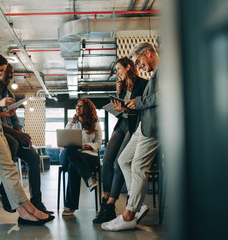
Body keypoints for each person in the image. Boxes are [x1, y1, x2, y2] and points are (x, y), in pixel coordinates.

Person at [0, 54, 54, 225]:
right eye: (0, 70)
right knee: (9, 169)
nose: (1, 74)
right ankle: (30, 208)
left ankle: (23, 212)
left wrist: (3, 112)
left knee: (9, 169)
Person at [101, 42, 160, 231]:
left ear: (148, 53)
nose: (139, 66)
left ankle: (129, 214)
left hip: (154, 126)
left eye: (139, 61)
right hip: (143, 125)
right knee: (124, 160)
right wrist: (127, 107)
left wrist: (139, 101)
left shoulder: (164, 70)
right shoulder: (154, 75)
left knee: (138, 165)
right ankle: (138, 203)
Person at [93, 57, 148, 223]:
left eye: (119, 68)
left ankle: (110, 205)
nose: (117, 72)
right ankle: (105, 201)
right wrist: (119, 109)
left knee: (119, 162)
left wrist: (126, 108)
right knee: (107, 160)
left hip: (133, 126)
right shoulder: (123, 87)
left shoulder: (143, 84)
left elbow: (143, 110)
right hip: (121, 124)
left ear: (128, 67)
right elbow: (123, 107)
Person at [0, 64, 53, 215]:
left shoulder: (10, 94)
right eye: (7, 73)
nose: (10, 76)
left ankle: (37, 203)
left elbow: (15, 121)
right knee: (13, 143)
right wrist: (17, 134)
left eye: (12, 73)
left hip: (11, 133)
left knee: (34, 157)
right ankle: (4, 192)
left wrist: (23, 135)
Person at [60, 98, 102, 216]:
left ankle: (69, 206)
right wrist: (71, 124)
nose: (77, 108)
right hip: (68, 156)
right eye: (76, 106)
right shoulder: (72, 123)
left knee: (74, 167)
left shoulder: (96, 123)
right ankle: (89, 178)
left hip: (87, 156)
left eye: (81, 106)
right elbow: (63, 141)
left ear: (87, 109)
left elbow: (98, 143)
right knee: (70, 150)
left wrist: (87, 146)